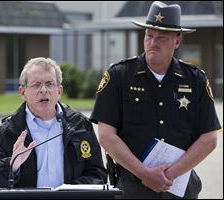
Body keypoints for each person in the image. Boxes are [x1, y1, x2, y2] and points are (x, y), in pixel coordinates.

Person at [90, 1, 221, 199]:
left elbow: (209, 139)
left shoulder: (195, 79)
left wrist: (168, 175)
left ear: (177, 41)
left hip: (179, 187)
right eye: (149, 36)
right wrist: (145, 174)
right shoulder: (119, 76)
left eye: (161, 38)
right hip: (132, 187)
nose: (153, 42)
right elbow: (107, 135)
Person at [0, 57, 107, 192]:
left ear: (59, 91)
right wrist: (12, 165)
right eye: (36, 84)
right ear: (23, 93)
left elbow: (97, 174)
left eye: (49, 84)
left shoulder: (80, 126)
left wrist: (70, 192)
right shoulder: (7, 132)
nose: (44, 90)